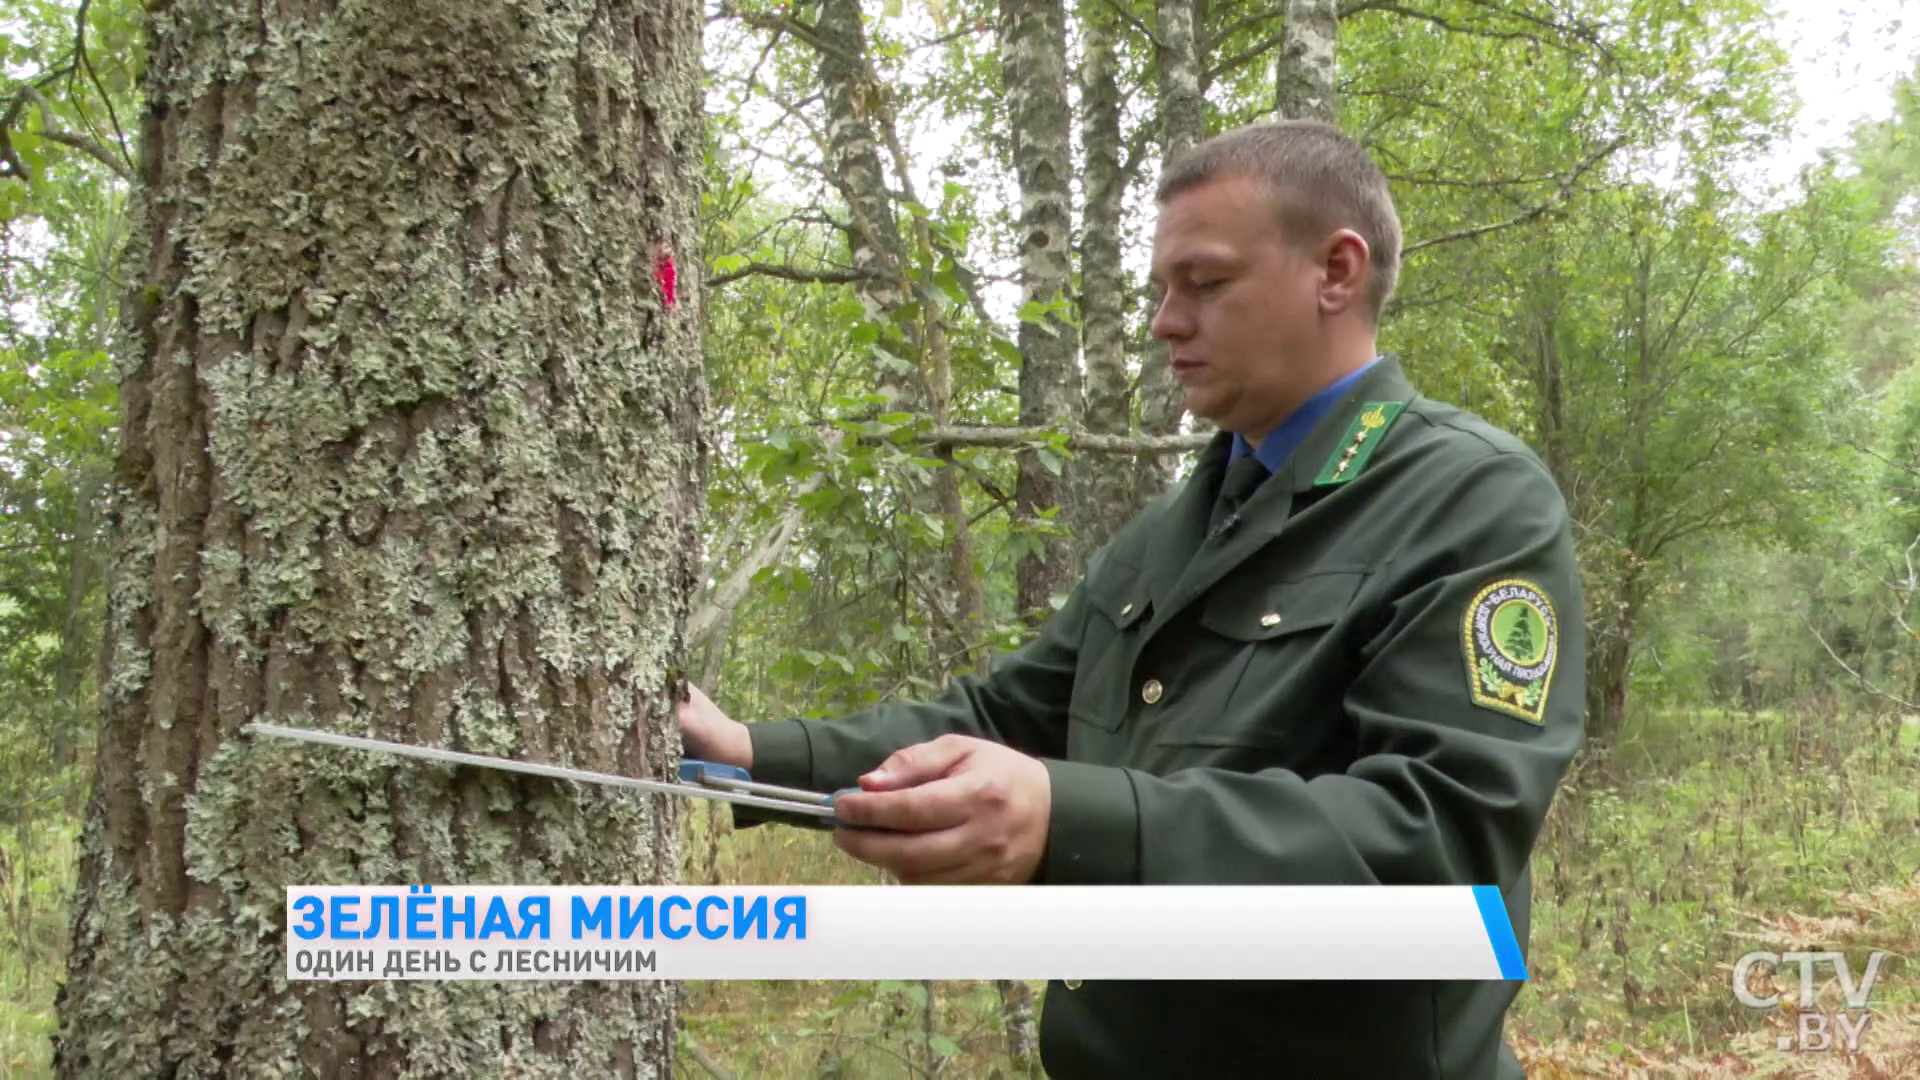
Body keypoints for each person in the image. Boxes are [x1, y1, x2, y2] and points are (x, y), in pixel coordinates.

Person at [679, 119, 1584, 1079]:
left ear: (1337, 273)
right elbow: (1010, 716)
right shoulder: (1175, 529)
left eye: (1205, 283)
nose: (1164, 322)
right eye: (1161, 289)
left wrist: (1068, 821)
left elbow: (1443, 843)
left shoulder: (1468, 499)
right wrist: (752, 754)